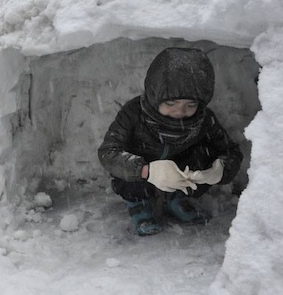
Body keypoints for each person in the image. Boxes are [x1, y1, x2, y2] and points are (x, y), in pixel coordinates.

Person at [97, 47, 243, 236]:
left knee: (204, 157)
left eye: (190, 105)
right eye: (171, 104)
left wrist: (220, 170)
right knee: (128, 174)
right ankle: (139, 204)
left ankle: (177, 196)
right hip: (142, 171)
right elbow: (108, 152)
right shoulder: (133, 113)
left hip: (181, 170)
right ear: (155, 96)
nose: (180, 112)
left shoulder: (204, 119)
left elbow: (230, 151)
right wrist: (147, 171)